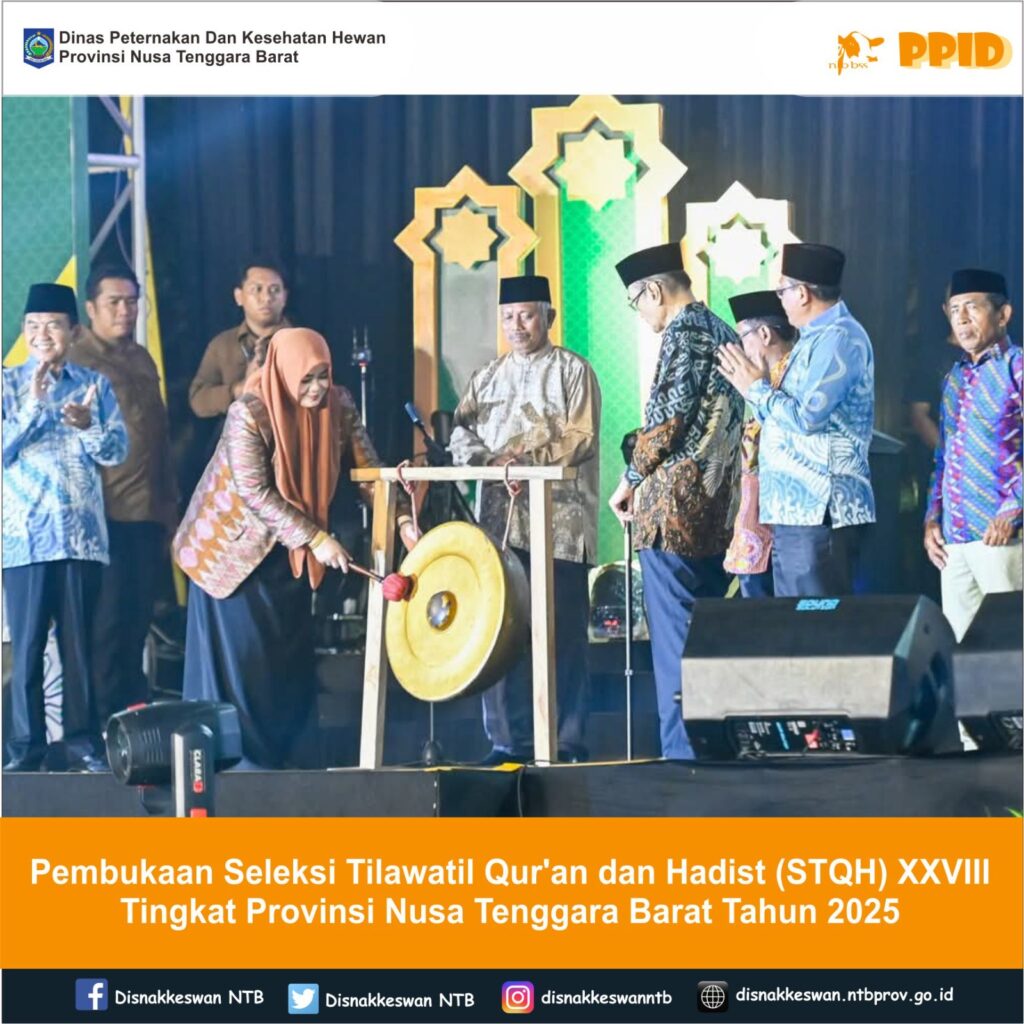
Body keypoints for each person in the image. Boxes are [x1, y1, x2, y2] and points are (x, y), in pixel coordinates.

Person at [174, 328, 418, 769]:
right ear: (283, 373)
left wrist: (402, 519)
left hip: (288, 556)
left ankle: (288, 768)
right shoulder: (249, 412)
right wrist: (317, 538)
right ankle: (242, 771)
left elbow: (369, 470)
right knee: (244, 667)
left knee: (283, 668)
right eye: (306, 379)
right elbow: (254, 492)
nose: (317, 388)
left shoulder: (339, 405)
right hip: (231, 556)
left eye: (323, 376)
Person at [449, 275, 601, 764]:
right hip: (501, 524)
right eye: (508, 317)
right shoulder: (487, 377)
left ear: (548, 317)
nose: (517, 326)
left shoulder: (574, 371)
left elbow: (581, 438)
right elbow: (459, 435)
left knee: (562, 637)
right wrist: (489, 462)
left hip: (561, 526)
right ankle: (506, 741)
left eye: (527, 315)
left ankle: (566, 740)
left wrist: (524, 461)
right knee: (501, 634)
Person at [608, 244, 744, 761]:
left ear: (654, 291)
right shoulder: (723, 331)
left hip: (672, 515)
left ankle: (684, 757)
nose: (640, 314)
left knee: (676, 647)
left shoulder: (683, 333)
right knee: (707, 640)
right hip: (717, 514)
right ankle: (714, 750)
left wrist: (628, 479)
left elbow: (668, 421)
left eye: (636, 302)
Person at [2, 283, 128, 772]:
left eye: (53, 326)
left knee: (80, 648)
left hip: (81, 539)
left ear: (74, 332)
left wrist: (87, 426)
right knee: (28, 648)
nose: (42, 335)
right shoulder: (7, 384)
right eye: (33, 326)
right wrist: (34, 405)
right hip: (25, 539)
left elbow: (116, 452)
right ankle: (25, 748)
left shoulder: (95, 385)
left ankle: (82, 743)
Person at [716, 243, 875, 597]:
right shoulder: (810, 340)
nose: (780, 299)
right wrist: (755, 390)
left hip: (820, 509)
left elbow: (807, 418)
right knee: (795, 622)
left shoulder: (840, 338)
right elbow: (778, 420)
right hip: (795, 511)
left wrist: (756, 389)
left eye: (782, 291)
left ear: (802, 293)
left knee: (816, 621)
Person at [67, 264, 178, 729]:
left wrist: (171, 509)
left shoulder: (141, 358)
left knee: (136, 625)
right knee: (106, 629)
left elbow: (160, 437)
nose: (125, 310)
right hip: (102, 518)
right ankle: (98, 730)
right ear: (90, 308)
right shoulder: (76, 361)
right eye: (114, 301)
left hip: (147, 513)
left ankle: (133, 731)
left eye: (132, 301)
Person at [923, 268, 1022, 641]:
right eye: (954, 310)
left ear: (1003, 314)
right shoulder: (955, 378)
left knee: (1010, 644)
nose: (961, 318)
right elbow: (943, 457)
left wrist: (1013, 509)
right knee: (961, 649)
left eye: (972, 307)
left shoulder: (1017, 367)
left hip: (1003, 535)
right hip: (954, 540)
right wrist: (932, 519)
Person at [722, 290, 797, 597]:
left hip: (782, 521)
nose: (742, 349)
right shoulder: (763, 379)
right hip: (756, 517)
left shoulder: (795, 376)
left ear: (765, 334)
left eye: (743, 338)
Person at [188, 259, 291, 421]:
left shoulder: (304, 342)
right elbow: (198, 400)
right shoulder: (222, 345)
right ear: (239, 296)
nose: (266, 298)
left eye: (274, 290)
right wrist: (239, 390)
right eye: (256, 289)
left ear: (284, 297)